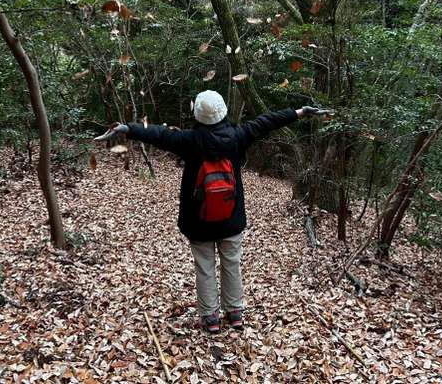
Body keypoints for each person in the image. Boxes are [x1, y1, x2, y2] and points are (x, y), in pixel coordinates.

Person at [96, 90, 328, 333]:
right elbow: (266, 122)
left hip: (198, 221)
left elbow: (158, 134)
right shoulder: (238, 136)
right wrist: (299, 112)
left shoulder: (188, 140)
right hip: (231, 218)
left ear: (198, 114)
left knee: (205, 268)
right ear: (223, 111)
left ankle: (210, 317)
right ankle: (235, 312)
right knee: (232, 264)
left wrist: (128, 128)